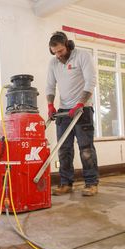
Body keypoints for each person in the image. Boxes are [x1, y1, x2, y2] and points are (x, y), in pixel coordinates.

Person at [46, 31, 99, 196]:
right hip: (63, 111)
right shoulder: (53, 63)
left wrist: (80, 103)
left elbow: (91, 81)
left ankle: (91, 183)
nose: (58, 55)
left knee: (86, 148)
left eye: (60, 51)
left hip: (83, 109)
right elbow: (50, 86)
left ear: (67, 45)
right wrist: (50, 105)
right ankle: (66, 183)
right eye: (54, 52)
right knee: (64, 149)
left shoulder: (83, 56)